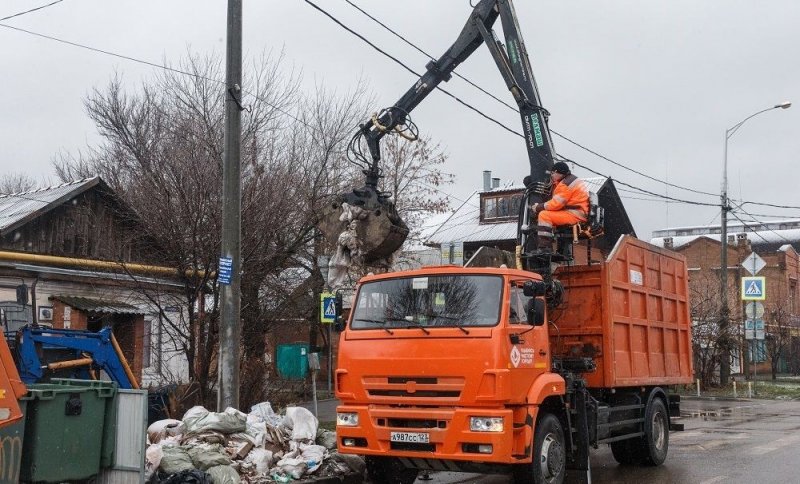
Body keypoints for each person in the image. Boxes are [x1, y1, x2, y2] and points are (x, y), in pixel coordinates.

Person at [530, 161, 589, 251]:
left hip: (574, 215)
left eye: (553, 173)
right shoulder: (571, 180)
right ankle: (560, 249)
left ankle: (545, 248)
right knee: (550, 214)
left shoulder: (565, 185)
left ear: (558, 172)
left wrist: (538, 207)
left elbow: (555, 204)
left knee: (544, 215)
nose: (552, 176)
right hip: (579, 212)